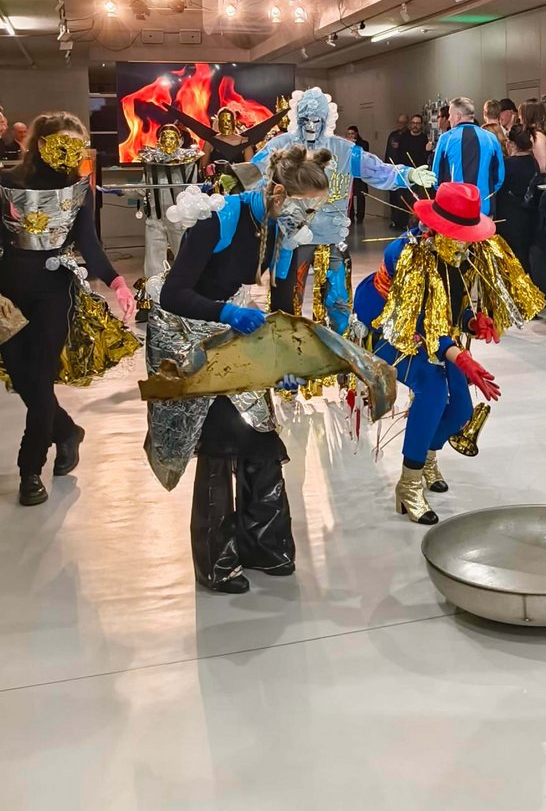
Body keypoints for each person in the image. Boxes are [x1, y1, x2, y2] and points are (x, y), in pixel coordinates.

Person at [151, 145, 330, 592]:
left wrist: (283, 361)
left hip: (235, 326)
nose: (305, 218)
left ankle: (265, 546)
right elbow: (173, 293)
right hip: (188, 327)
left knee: (260, 435)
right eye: (302, 206)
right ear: (275, 191)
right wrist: (226, 314)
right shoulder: (219, 217)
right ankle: (216, 562)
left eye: (313, 210)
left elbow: (285, 303)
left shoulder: (280, 231)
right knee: (220, 442)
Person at [353, 181, 544, 524]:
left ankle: (426, 455)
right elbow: (420, 323)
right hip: (391, 331)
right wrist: (459, 355)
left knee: (460, 412)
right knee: (433, 389)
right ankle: (409, 484)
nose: (464, 240)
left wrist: (471, 323)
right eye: (457, 232)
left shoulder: (464, 253)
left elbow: (453, 305)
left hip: (438, 336)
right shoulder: (407, 254)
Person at [0, 112, 138, 506]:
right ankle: (66, 431)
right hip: (6, 295)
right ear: (38, 144)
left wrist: (116, 282)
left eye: (76, 148)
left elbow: (89, 245)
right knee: (26, 382)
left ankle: (30, 471)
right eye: (61, 145)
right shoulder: (7, 183)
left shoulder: (81, 189)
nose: (68, 155)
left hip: (53, 293)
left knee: (40, 380)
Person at [253, 87, 435, 335]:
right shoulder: (281, 146)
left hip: (331, 237)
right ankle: (285, 353)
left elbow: (376, 170)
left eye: (317, 120)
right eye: (306, 120)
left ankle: (339, 354)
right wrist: (232, 183)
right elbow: (253, 174)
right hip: (291, 241)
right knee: (284, 305)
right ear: (298, 119)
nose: (311, 126)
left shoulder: (343, 150)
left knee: (339, 304)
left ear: (326, 121)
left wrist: (408, 174)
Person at [138, 124, 203, 287]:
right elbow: (142, 187)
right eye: (164, 137)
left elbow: (193, 187)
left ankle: (187, 290)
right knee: (154, 262)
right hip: (155, 218)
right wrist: (120, 192)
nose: (168, 141)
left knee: (184, 257)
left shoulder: (188, 161)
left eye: (172, 137)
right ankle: (154, 296)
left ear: (179, 141)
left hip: (179, 218)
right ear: (158, 141)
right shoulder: (150, 162)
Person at [430, 96, 505, 215]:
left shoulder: (446, 138)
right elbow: (499, 178)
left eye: (450, 115)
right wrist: (486, 193)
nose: (449, 119)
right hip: (484, 208)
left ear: (458, 116)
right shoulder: (491, 138)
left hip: (454, 208)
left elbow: (436, 178)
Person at [498, 126, 540, 271]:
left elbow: (498, 187)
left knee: (511, 257)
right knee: (524, 255)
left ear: (510, 144)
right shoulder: (533, 162)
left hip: (509, 214)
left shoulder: (507, 165)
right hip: (529, 213)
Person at [384, 113, 409, 229]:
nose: (400, 125)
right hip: (391, 170)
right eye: (399, 122)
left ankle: (403, 222)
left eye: (403, 123)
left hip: (403, 170)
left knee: (402, 197)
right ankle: (394, 219)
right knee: (393, 197)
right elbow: (388, 152)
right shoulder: (392, 135)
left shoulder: (408, 136)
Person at [519, 101, 546, 175]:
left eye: (521, 114)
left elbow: (543, 167)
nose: (519, 117)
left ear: (528, 115)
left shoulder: (537, 138)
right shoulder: (536, 135)